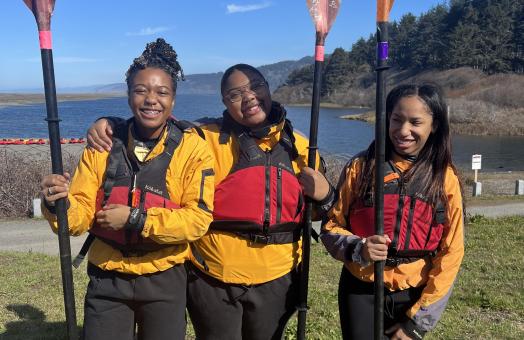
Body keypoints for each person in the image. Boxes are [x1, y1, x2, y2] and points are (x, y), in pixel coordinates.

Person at [87, 63, 335, 339]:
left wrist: (325, 195)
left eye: (256, 86)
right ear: (225, 103)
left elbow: (318, 212)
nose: (249, 96)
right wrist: (111, 123)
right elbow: (156, 122)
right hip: (214, 277)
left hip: (278, 275)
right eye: (235, 94)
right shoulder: (203, 138)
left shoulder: (300, 146)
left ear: (268, 88)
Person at [40, 38, 214, 340]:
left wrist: (137, 219)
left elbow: (197, 220)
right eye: (140, 90)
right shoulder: (103, 144)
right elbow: (79, 214)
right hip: (108, 277)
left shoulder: (194, 149)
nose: (151, 100)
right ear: (128, 95)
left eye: (162, 92)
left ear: (173, 100)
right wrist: (59, 205)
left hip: (165, 277)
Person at [320, 84, 464, 340]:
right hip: (361, 288)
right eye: (396, 120)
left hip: (412, 292)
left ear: (435, 126)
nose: (403, 131)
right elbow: (331, 228)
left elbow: (451, 252)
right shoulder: (361, 167)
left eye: (415, 122)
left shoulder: (444, 177)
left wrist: (418, 323)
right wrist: (359, 247)